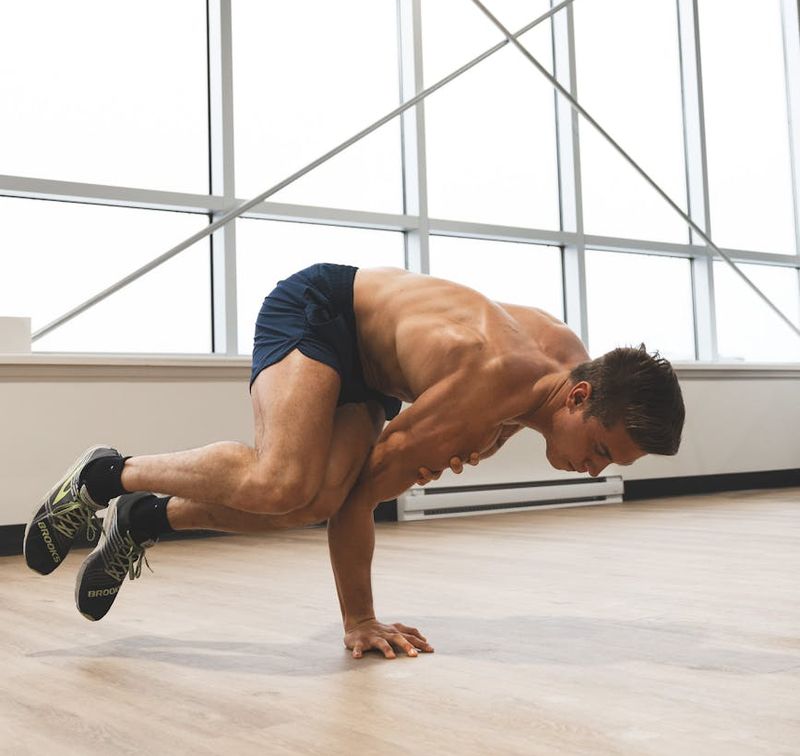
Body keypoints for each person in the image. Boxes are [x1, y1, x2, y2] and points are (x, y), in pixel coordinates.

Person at [24, 262, 685, 659]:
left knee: (309, 501)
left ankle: (143, 519)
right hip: (323, 309)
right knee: (283, 481)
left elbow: (506, 395)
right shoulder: (490, 381)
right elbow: (361, 499)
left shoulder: (568, 363)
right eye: (600, 450)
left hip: (375, 371)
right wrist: (360, 620)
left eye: (612, 463)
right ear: (579, 398)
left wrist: (479, 434)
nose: (596, 469)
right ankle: (103, 476)